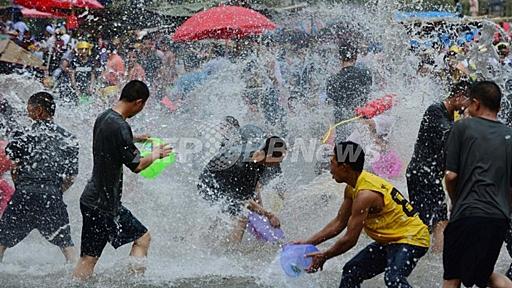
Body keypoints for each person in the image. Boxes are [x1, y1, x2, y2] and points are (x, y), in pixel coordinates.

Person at [72, 81, 172, 280]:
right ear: (138, 102)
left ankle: (75, 284)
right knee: (142, 238)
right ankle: (134, 283)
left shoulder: (104, 117)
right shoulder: (121, 127)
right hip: (105, 204)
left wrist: (134, 138)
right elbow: (137, 166)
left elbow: (112, 139)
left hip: (91, 199)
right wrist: (156, 154)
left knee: (88, 258)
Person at [296, 141, 429, 288]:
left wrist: (324, 256)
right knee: (351, 271)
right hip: (390, 240)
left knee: (393, 278)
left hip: (412, 238)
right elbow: (339, 223)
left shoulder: (365, 195)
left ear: (345, 167)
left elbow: (350, 240)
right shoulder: (353, 186)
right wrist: (308, 243)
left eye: (333, 163)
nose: (330, 168)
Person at [444, 81, 512, 288]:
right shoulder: (510, 135)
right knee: (485, 275)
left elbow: (451, 177)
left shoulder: (462, 127)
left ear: (476, 103)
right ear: (499, 107)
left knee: (452, 277)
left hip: (467, 214)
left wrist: (456, 203)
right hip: (498, 219)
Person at [0, 92, 79, 263]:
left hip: (24, 195)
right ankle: (78, 278)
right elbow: (71, 177)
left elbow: (14, 166)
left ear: (39, 111)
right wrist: (55, 191)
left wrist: (23, 187)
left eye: (29, 110)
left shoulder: (22, 135)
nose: (27, 114)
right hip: (51, 196)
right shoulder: (69, 139)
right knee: (67, 245)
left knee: (1, 241)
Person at [406, 81, 470, 253]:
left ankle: (418, 254)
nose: (467, 107)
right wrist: (466, 120)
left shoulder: (449, 116)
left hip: (428, 174)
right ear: (458, 96)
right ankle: (436, 259)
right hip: (421, 173)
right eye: (468, 102)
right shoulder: (434, 110)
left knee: (426, 221)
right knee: (439, 221)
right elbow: (449, 134)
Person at [197, 136, 286, 243]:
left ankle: (208, 238)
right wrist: (268, 214)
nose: (279, 164)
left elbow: (254, 188)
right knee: (240, 215)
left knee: (230, 211)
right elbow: (245, 202)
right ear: (270, 156)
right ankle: (232, 252)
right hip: (209, 184)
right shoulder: (243, 168)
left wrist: (262, 214)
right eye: (278, 161)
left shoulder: (260, 159)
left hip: (224, 180)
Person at [326, 42, 372, 142]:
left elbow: (330, 101)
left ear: (340, 58)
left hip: (341, 124)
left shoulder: (333, 80)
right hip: (361, 122)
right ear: (355, 57)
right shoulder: (366, 75)